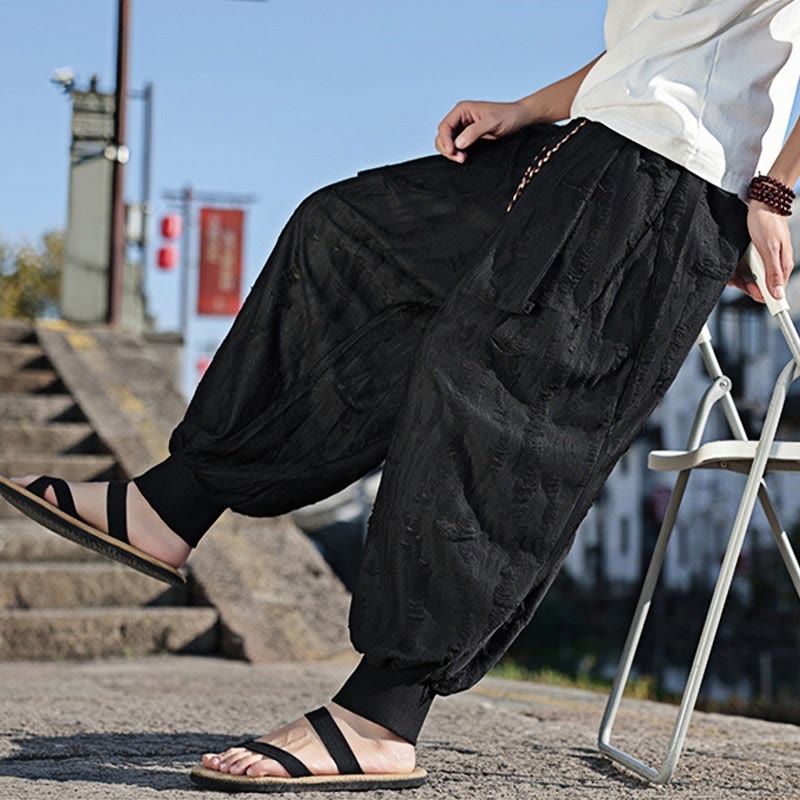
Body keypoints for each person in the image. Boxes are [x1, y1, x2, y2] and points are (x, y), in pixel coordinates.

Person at [2, 0, 800, 792]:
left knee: (495, 397)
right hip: (591, 144)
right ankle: (173, 502)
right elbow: (658, 50)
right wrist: (524, 108)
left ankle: (383, 713)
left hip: (664, 186)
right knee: (352, 238)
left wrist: (774, 192)